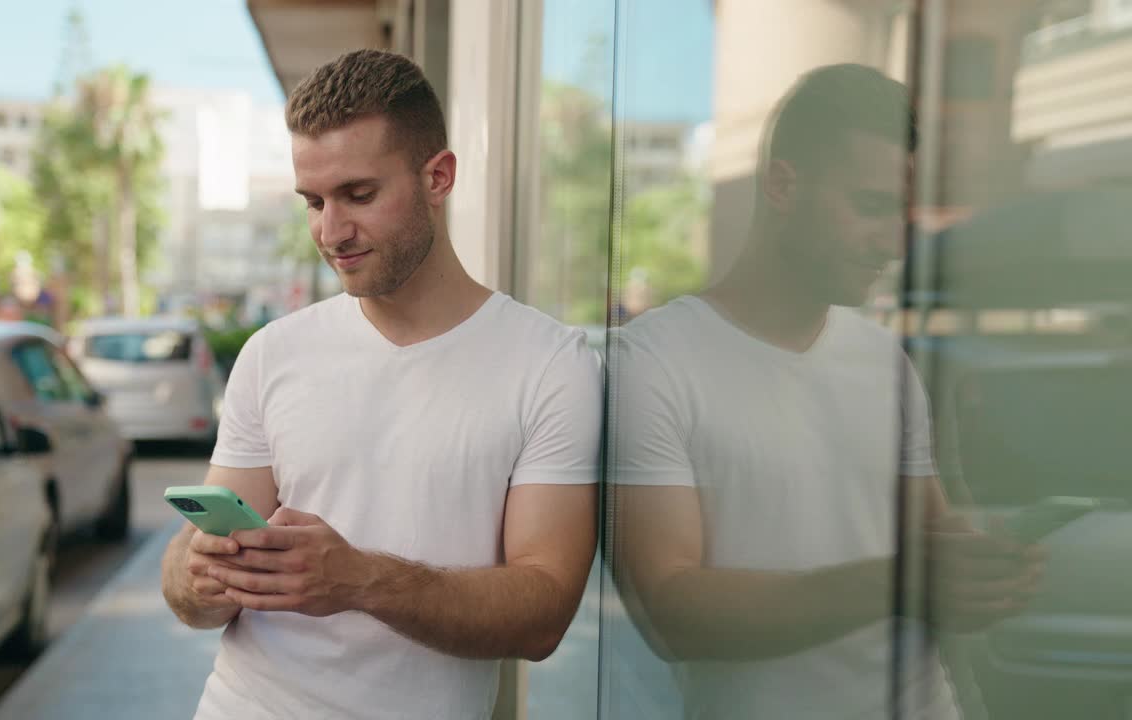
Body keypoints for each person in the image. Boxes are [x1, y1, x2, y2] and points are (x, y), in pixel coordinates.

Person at [161, 49, 603, 720]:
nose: (331, 232)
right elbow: (192, 587)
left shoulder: (550, 364)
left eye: (359, 196)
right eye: (313, 202)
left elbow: (543, 614)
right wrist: (196, 578)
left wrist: (361, 580)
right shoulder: (273, 354)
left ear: (438, 176)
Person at [609, 63, 1044, 719]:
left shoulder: (884, 359)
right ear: (783, 186)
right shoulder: (653, 363)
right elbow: (671, 612)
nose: (892, 243)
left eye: (901, 215)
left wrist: (984, 563)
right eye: (870, 206)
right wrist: (897, 583)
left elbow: (931, 535)